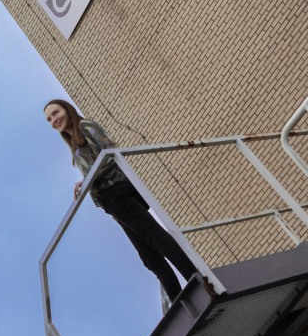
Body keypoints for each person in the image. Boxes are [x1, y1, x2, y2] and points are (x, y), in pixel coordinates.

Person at [43, 99, 198, 300]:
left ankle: (195, 278)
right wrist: (88, 182)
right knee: (149, 258)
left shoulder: (84, 126)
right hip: (111, 203)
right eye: (49, 119)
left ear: (67, 109)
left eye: (55, 113)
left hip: (117, 191)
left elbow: (109, 152)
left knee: (154, 236)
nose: (54, 120)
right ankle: (180, 301)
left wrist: (87, 178)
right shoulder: (74, 147)